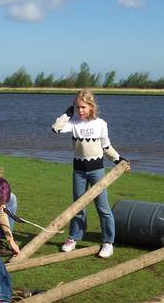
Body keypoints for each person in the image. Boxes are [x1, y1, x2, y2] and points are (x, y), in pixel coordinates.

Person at [51, 89, 130, 259]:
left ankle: (108, 242)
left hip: (97, 172)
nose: (80, 110)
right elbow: (55, 129)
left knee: (103, 208)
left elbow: (107, 147)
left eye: (83, 107)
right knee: (78, 207)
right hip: (78, 171)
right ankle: (73, 239)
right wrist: (67, 113)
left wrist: (120, 161)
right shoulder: (73, 123)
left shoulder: (101, 124)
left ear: (91, 107)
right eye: (77, 107)